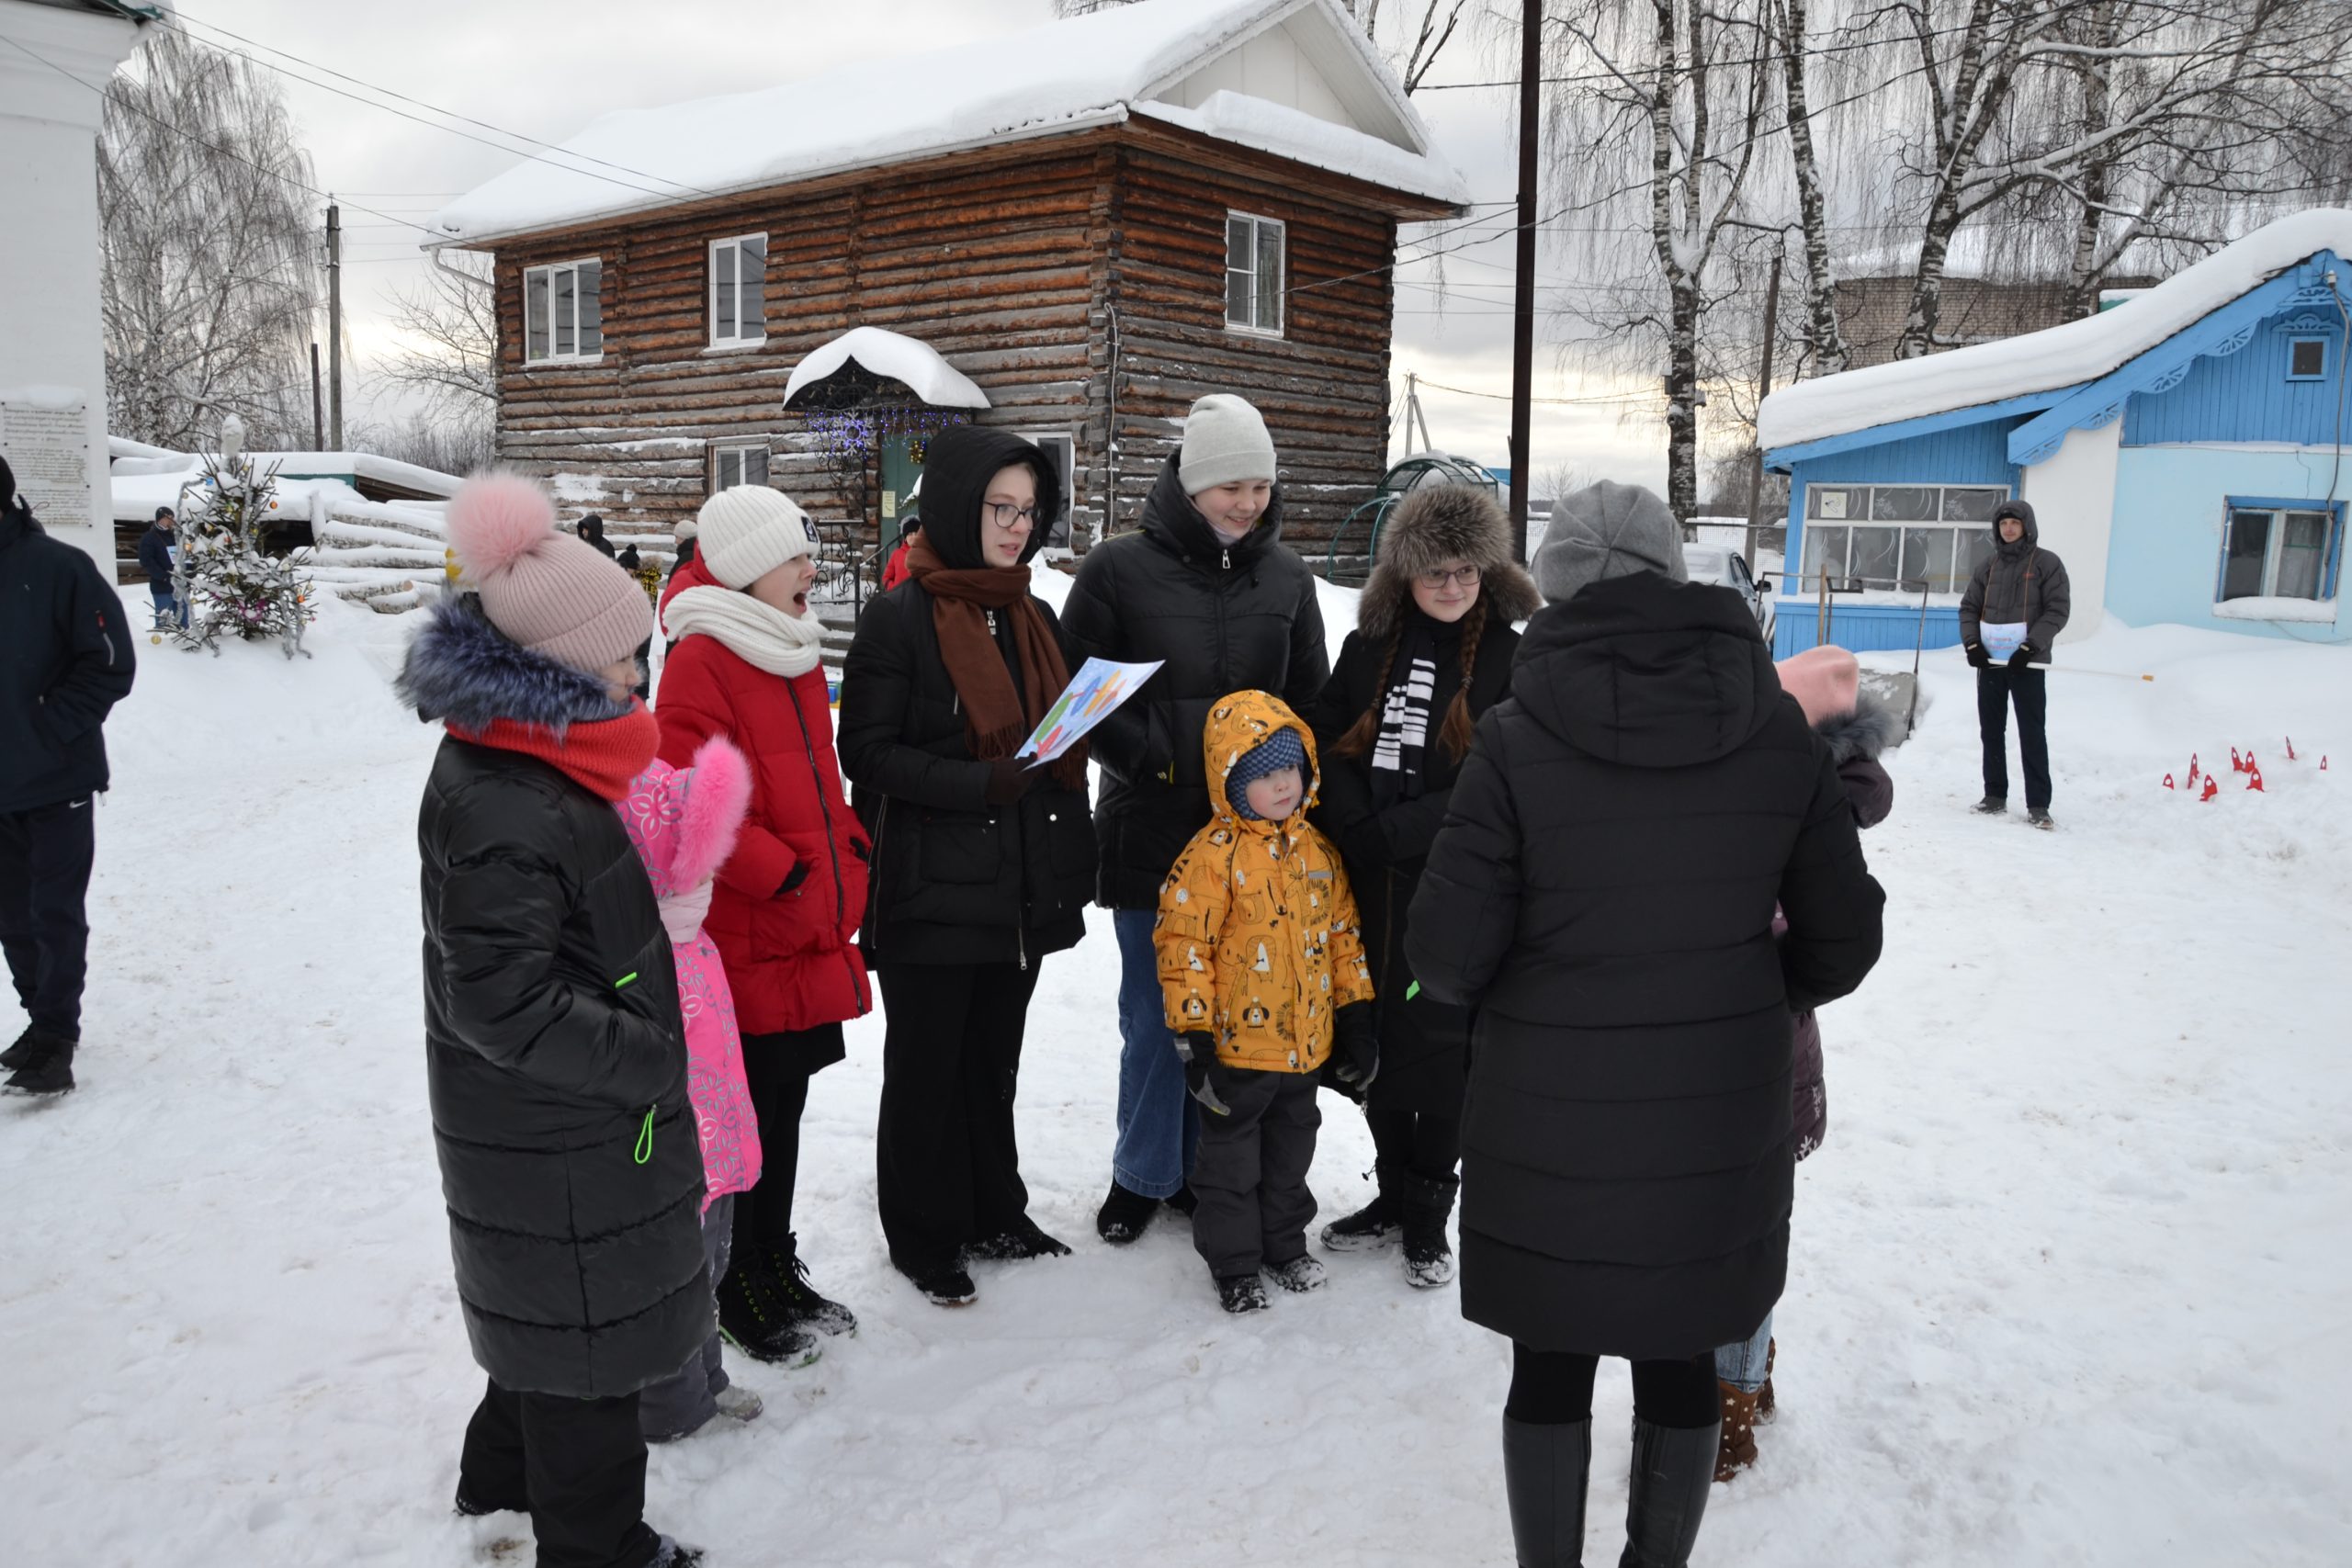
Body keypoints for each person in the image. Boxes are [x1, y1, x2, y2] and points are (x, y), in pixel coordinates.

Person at [1407, 481, 1885, 1568]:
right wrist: (1755, 994)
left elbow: (1445, 955)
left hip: (1547, 1115)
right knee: (1679, 1358)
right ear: (1674, 576)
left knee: (1551, 1361)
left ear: (1559, 586)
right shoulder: (1774, 728)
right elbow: (1842, 941)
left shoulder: (1518, 739)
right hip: (1716, 1114)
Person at [395, 472, 707, 1568]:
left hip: (545, 1132)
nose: (637, 674)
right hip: (563, 1130)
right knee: (589, 1360)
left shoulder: (534, 762)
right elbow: (497, 997)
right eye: (623, 657)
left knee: (549, 1318)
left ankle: (496, 1485)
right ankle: (600, 1548)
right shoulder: (508, 799)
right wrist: (643, 1062)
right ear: (559, 672)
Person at [1060, 393, 1329, 1245]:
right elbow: (1078, 698)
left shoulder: (1286, 577)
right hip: (1154, 828)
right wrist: (1164, 756)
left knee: (1233, 1015)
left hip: (1256, 845)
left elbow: (1307, 701)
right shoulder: (1117, 571)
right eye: (1229, 487)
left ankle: (1205, 1175)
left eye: (1259, 485)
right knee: (1154, 1012)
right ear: (1191, 480)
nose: (1246, 502)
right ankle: (1143, 1173)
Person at [837, 426, 1096, 1306]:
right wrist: (978, 781)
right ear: (955, 503)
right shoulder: (900, 616)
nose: (1016, 526)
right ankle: (923, 1233)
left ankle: (995, 1209)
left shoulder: (1033, 613)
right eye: (999, 507)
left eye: (1028, 510)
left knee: (993, 1061)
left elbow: (1044, 744)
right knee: (927, 1071)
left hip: (1014, 889)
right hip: (929, 890)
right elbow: (865, 751)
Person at [654, 483, 869, 1366]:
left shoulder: (789, 645)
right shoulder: (703, 655)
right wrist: (778, 868)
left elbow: (813, 774)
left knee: (788, 1105)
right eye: (797, 558)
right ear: (749, 570)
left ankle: (775, 1263)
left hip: (805, 925)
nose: (812, 571)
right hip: (752, 930)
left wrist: (845, 844)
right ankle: (739, 1286)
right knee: (752, 1124)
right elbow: (682, 793)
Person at [1306, 483, 1538, 1290]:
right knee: (1378, 1044)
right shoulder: (1370, 646)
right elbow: (1328, 737)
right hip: (1369, 886)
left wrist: (1394, 830)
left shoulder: (1510, 658)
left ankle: (1430, 1214)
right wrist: (1349, 820)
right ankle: (1391, 1193)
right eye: (1434, 570)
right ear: (1405, 572)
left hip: (1460, 888)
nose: (1450, 585)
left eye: (1466, 570)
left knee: (1443, 1055)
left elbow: (1500, 779)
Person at [1713, 644, 1899, 1483]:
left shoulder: (1795, 826)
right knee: (1748, 1240)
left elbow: (1802, 942)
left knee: (1734, 1248)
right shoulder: (1813, 814)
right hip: (1776, 1062)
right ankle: (1753, 1381)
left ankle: (1730, 1412)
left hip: (1759, 1063)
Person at [1156, 692, 1376, 1313]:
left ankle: (1284, 1246)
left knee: (1289, 1159)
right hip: (1235, 1053)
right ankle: (1234, 1264)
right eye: (1264, 773)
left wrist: (1355, 1014)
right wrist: (1193, 1036)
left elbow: (1344, 938)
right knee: (1230, 1166)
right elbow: (1184, 946)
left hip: (1302, 1052)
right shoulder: (1211, 858)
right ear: (1230, 781)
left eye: (1292, 768)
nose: (1284, 784)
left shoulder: (1318, 853)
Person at [613, 736, 771, 1446]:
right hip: (673, 1144)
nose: (703, 882)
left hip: (710, 1135)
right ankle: (669, 1406)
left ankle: (704, 1378)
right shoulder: (644, 961)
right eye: (690, 866)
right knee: (674, 1265)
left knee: (709, 1255)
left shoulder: (693, 947)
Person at [1, 459, 137, 1097]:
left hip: (57, 779)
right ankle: (41, 1017)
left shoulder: (59, 569)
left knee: (53, 911)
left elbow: (110, 663)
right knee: (11, 915)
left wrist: (51, 727)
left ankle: (56, 1034)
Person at [1959, 498, 2070, 829]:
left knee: (2032, 732)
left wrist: (2030, 646)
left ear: (2027, 527)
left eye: (2015, 523)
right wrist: (1973, 644)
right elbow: (1969, 608)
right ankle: (1994, 795)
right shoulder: (1987, 566)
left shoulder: (2047, 563)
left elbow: (2057, 610)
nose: (2008, 528)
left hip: (2027, 664)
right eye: (2003, 524)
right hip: (1991, 663)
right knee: (1991, 730)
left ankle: (2038, 804)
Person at [138, 505, 187, 630]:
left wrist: (189, 570)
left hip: (180, 584)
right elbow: (146, 561)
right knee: (165, 622)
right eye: (168, 518)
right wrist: (164, 576)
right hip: (162, 586)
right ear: (159, 519)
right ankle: (164, 649)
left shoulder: (177, 536)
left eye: (172, 518)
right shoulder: (149, 538)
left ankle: (185, 640)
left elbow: (186, 554)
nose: (171, 521)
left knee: (183, 621)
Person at [879, 514, 920, 592]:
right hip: (898, 599)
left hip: (918, 599)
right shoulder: (897, 554)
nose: (914, 537)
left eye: (916, 534)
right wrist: (894, 589)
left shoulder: (925, 553)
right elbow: (886, 577)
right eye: (910, 534)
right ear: (905, 537)